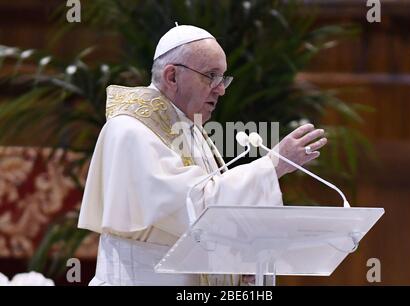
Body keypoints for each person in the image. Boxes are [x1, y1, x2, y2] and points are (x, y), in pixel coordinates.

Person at [77, 25, 327, 286]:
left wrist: (241, 264)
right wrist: (272, 165)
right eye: (211, 75)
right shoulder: (130, 130)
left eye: (223, 78)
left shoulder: (192, 130)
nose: (221, 89)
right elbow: (189, 205)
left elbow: (211, 217)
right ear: (172, 76)